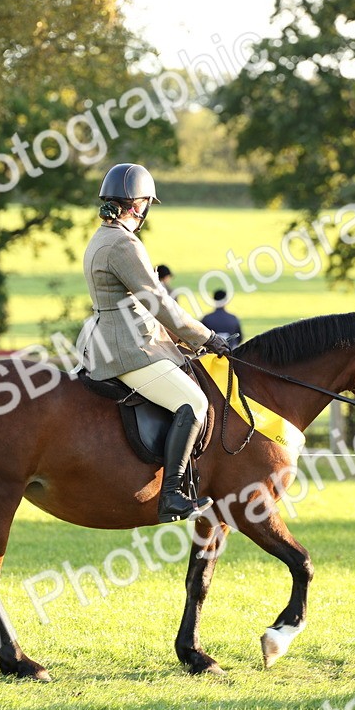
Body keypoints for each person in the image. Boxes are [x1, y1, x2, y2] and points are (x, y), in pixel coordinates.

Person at [77, 163, 231, 523]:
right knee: (194, 402)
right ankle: (172, 495)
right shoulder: (123, 243)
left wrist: (182, 340)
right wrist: (206, 336)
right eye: (146, 203)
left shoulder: (102, 236)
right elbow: (157, 301)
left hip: (117, 336)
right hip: (127, 349)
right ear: (138, 204)